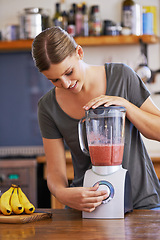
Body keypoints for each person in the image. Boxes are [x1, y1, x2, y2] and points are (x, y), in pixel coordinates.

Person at [32, 26, 160, 212]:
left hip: (143, 203)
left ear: (79, 53)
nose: (66, 84)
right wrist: (62, 193)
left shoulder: (122, 76)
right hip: (88, 207)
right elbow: (54, 170)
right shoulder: (47, 107)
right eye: (55, 80)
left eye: (68, 72)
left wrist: (125, 105)